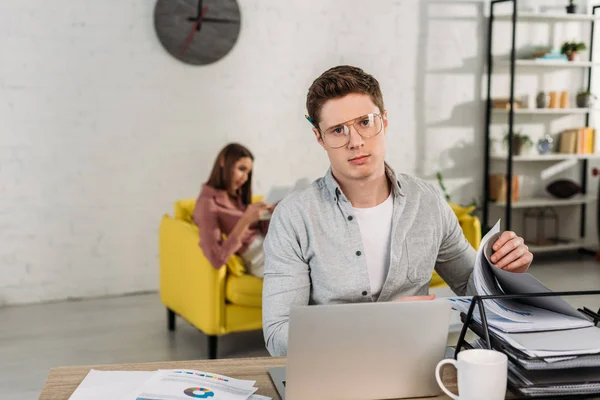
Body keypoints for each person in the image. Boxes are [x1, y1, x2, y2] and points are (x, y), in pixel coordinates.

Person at [262, 65, 533, 356]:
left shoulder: (427, 201)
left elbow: (472, 290)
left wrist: (503, 271)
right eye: (338, 130)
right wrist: (381, 321)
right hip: (332, 369)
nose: (356, 141)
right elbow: (279, 336)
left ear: (385, 121)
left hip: (415, 363)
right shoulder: (294, 216)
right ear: (320, 138)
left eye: (365, 122)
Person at [193, 143, 272, 278]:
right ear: (223, 161)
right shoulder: (207, 204)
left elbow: (261, 230)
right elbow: (216, 259)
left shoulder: (236, 194)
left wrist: (270, 214)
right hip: (258, 257)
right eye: (241, 169)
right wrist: (246, 220)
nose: (245, 178)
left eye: (248, 173)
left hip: (272, 246)